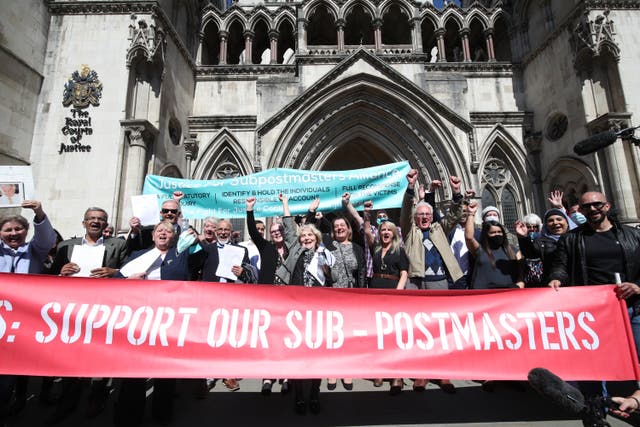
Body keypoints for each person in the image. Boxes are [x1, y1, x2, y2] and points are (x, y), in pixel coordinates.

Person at [47, 207, 128, 422]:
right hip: (72, 312)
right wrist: (60, 273)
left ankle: (97, 398)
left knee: (100, 358)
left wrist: (115, 273)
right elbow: (49, 280)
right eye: (91, 218)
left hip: (103, 311)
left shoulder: (118, 245)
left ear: (106, 224)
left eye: (100, 219)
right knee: (70, 359)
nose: (95, 222)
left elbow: (129, 273)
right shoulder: (66, 247)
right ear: (84, 223)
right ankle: (68, 402)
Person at [113, 221, 199, 426]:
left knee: (165, 371)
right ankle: (130, 415)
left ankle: (162, 414)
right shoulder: (137, 256)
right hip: (139, 321)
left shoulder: (181, 254)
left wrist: (193, 236)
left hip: (169, 321)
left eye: (168, 232)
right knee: (135, 370)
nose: (163, 234)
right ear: (152, 236)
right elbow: (116, 280)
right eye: (159, 230)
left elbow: (201, 253)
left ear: (173, 237)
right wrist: (127, 282)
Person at [549, 191, 640, 361]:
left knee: (638, 355)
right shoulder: (570, 239)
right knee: (598, 360)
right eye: (586, 206)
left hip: (633, 305)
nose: (592, 209)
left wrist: (637, 286)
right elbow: (561, 266)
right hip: (592, 309)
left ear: (607, 206)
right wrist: (557, 279)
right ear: (581, 211)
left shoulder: (634, 235)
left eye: (597, 204)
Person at [400, 170, 463, 393]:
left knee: (440, 328)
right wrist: (410, 188)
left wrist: (456, 193)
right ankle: (420, 373)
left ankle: (442, 372)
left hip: (439, 282)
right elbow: (407, 211)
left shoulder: (439, 228)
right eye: (421, 215)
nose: (425, 217)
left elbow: (455, 215)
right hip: (416, 282)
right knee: (418, 329)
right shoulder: (410, 232)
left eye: (427, 214)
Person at [275, 194, 334, 415]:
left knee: (317, 356)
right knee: (298, 355)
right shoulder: (296, 249)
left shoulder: (325, 254)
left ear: (317, 238)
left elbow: (335, 279)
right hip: (297, 310)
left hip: (319, 310)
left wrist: (329, 272)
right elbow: (290, 227)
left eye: (310, 235)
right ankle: (299, 395)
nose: (306, 238)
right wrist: (285, 204)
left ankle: (314, 394)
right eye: (304, 236)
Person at [0, 200, 56, 425]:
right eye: (7, 230)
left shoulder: (33, 250)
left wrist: (38, 212)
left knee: (8, 370)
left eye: (18, 229)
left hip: (22, 321)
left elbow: (47, 239)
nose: (14, 233)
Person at [245, 197, 290, 395]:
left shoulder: (292, 248)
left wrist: (285, 204)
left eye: (279, 231)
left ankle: (287, 376)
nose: (276, 233)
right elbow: (254, 232)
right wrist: (249, 209)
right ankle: (267, 377)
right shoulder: (266, 248)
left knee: (287, 338)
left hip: (289, 298)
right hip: (269, 298)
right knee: (269, 338)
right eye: (273, 232)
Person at [363, 201, 409, 393]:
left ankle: (397, 375)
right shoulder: (375, 249)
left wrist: (398, 291)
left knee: (393, 334)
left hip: (393, 290)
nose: (385, 232)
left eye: (389, 229)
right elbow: (366, 231)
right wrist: (367, 213)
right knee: (379, 333)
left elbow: (405, 272)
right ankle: (380, 370)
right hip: (376, 289)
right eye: (382, 230)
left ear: (394, 232)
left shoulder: (399, 250)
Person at [465, 201, 523, 289]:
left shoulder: (513, 250)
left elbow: (521, 270)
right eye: (493, 232)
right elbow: (469, 237)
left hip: (508, 294)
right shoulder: (480, 249)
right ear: (486, 234)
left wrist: (519, 284)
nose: (497, 234)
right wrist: (471, 214)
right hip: (483, 296)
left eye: (499, 232)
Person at [515, 208, 577, 287]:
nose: (555, 223)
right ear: (546, 225)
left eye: (559, 219)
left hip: (578, 284)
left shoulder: (577, 238)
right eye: (550, 220)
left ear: (567, 222)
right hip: (553, 285)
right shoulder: (541, 242)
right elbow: (530, 253)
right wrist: (523, 238)